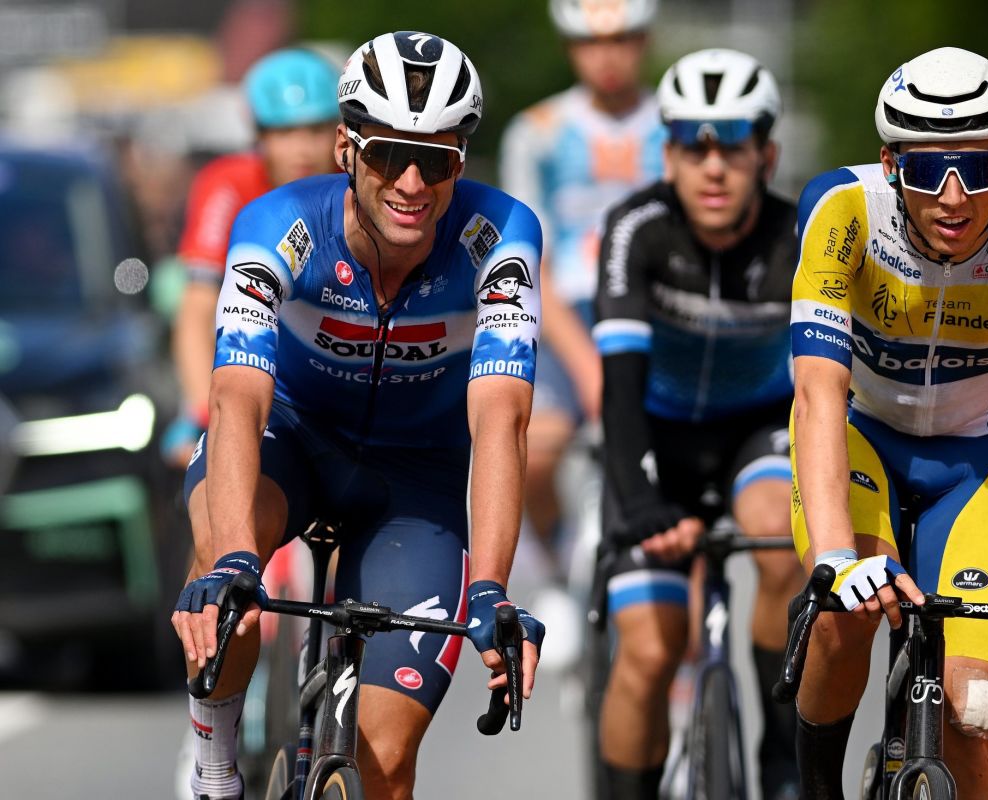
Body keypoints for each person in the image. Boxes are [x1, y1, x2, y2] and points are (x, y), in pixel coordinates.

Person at [170, 31, 545, 800]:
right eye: (387, 155)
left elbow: (502, 418)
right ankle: (214, 768)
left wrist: (493, 587)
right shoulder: (277, 225)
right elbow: (237, 396)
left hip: (416, 480)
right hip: (291, 440)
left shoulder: (500, 237)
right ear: (346, 148)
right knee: (227, 580)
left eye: (435, 161)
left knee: (387, 761)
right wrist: (237, 560)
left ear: (461, 162)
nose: (411, 183)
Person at [788, 47, 988, 799]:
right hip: (861, 436)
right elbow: (816, 391)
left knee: (974, 714)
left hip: (977, 461)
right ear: (890, 163)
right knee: (844, 618)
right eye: (928, 170)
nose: (954, 197)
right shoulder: (842, 212)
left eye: (979, 168)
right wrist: (835, 555)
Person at [594, 49, 802, 800]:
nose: (713, 168)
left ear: (766, 157)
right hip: (657, 439)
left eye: (734, 147)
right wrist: (640, 503)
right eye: (693, 146)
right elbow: (618, 388)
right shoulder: (636, 229)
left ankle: (781, 757)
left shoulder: (801, 236)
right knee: (650, 651)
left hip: (756, 432)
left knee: (783, 547)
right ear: (668, 156)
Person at [499, 0, 665, 573]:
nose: (607, 57)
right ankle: (558, 563)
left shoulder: (674, 125)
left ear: (643, 41)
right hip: (563, 318)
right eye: (591, 43)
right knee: (535, 454)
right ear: (570, 48)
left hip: (654, 316)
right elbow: (530, 263)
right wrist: (592, 369)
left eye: (622, 40)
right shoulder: (537, 131)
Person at [162, 47, 342, 467]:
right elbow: (197, 309)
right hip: (247, 372)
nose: (302, 148)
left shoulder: (357, 185)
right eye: (285, 132)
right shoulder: (225, 183)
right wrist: (205, 412)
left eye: (316, 130)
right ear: (258, 134)